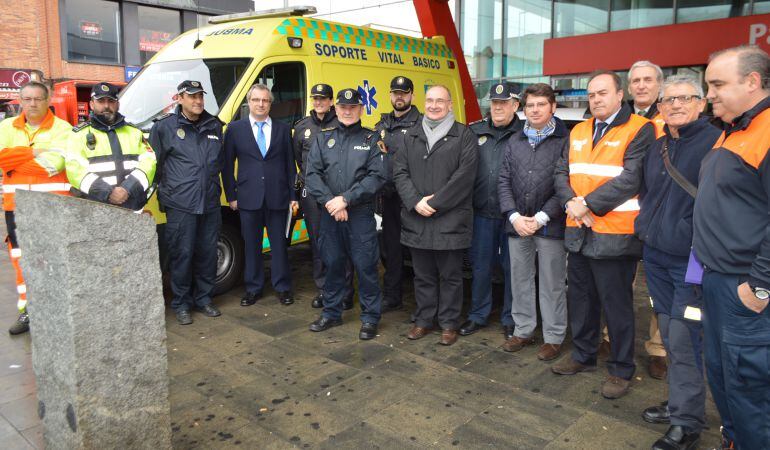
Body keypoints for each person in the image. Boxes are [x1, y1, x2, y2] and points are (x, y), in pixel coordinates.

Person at [552, 70, 655, 399]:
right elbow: (560, 171)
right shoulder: (579, 130)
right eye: (591, 94)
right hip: (578, 232)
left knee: (617, 306)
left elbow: (632, 178)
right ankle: (583, 354)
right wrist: (570, 201)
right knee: (580, 300)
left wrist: (588, 205)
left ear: (619, 94)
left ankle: (621, 368)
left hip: (615, 234)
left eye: (602, 93)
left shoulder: (640, 129)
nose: (595, 99)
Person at [635, 75, 719, 450]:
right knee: (669, 334)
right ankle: (679, 403)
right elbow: (645, 191)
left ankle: (687, 423)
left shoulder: (715, 144)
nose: (675, 105)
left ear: (701, 103)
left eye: (685, 98)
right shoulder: (659, 146)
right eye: (668, 100)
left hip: (693, 260)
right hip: (655, 255)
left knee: (685, 339)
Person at [693, 45, 770, 450]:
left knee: (750, 387)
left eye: (718, 84)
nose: (710, 95)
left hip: (745, 287)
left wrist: (759, 286)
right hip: (715, 280)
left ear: (753, 82)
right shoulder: (733, 129)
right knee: (722, 376)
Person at [394, 85, 478, 346]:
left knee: (451, 277)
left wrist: (436, 203)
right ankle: (423, 320)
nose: (433, 105)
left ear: (450, 105)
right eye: (429, 100)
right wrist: (415, 201)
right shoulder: (411, 136)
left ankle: (449, 323)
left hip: (450, 220)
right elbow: (399, 172)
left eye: (440, 101)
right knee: (423, 276)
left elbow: (464, 178)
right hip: (417, 218)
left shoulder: (464, 136)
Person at [305, 88, 385, 340]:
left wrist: (345, 200)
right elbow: (312, 175)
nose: (347, 111)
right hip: (330, 215)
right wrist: (331, 202)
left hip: (359, 214)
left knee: (366, 266)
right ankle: (331, 313)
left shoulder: (372, 139)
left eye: (352, 107)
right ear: (335, 109)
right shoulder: (322, 138)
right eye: (342, 107)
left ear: (361, 109)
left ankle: (370, 318)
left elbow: (377, 177)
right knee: (333, 264)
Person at [498, 83, 568, 361]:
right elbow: (503, 180)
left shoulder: (566, 140)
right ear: (523, 109)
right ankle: (523, 329)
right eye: (530, 105)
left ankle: (553, 336)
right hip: (517, 225)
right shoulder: (515, 140)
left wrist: (540, 218)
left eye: (541, 104)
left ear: (553, 107)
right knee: (520, 279)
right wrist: (513, 216)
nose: (535, 109)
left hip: (550, 225)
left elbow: (565, 184)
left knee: (552, 283)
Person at [150, 80, 224, 325]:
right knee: (182, 255)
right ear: (179, 98)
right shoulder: (164, 128)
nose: (198, 101)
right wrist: (166, 195)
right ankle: (181, 303)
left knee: (207, 254)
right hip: (181, 205)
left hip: (210, 202)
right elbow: (155, 166)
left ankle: (204, 299)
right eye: (192, 96)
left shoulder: (214, 125)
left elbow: (218, 164)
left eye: (200, 96)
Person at [0, 81, 71, 335]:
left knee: (55, 260)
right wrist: (35, 152)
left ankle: (58, 311)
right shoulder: (6, 127)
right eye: (27, 99)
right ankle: (27, 311)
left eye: (38, 99)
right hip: (16, 208)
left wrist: (14, 161)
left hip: (53, 207)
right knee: (21, 261)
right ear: (20, 101)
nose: (32, 104)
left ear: (48, 100)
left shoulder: (64, 129)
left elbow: (53, 165)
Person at [224, 84, 297, 308]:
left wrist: (293, 196)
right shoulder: (235, 129)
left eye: (265, 100)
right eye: (256, 100)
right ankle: (253, 288)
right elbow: (226, 165)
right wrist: (231, 195)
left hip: (278, 196)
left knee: (279, 246)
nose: (261, 104)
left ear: (270, 103)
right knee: (251, 246)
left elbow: (290, 166)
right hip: (248, 197)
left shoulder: (284, 130)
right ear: (249, 102)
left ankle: (283, 287)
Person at [459, 82, 521, 339]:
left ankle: (510, 318)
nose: (497, 108)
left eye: (504, 103)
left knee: (512, 269)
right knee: (481, 267)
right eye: (494, 103)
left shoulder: (525, 133)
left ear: (515, 106)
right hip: (481, 212)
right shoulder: (474, 131)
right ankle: (478, 315)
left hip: (513, 215)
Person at [293, 84, 354, 311]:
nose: (318, 102)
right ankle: (325, 289)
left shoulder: (340, 124)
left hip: (337, 195)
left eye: (323, 99)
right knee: (318, 244)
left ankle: (346, 291)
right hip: (312, 195)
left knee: (341, 243)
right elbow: (299, 160)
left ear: (331, 102)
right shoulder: (302, 127)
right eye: (315, 98)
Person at [626, 59, 668, 380]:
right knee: (618, 283)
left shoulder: (670, 116)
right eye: (635, 80)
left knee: (658, 289)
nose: (641, 85)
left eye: (647, 80)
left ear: (659, 85)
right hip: (622, 214)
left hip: (658, 212)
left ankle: (659, 349)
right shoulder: (618, 116)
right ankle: (610, 338)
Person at [66, 82, 157, 211]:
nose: (106, 106)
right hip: (96, 207)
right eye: (101, 101)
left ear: (118, 104)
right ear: (92, 104)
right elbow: (75, 170)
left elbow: (150, 163)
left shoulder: (134, 132)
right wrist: (108, 192)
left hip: (132, 206)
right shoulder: (78, 135)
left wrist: (128, 188)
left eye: (111, 101)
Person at [375, 76, 421, 312]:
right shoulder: (381, 125)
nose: (399, 97)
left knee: (418, 251)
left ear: (412, 95)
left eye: (404, 92)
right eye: (395, 93)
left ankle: (422, 303)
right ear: (390, 95)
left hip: (413, 198)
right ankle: (392, 296)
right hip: (389, 197)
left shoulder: (421, 124)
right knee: (391, 248)